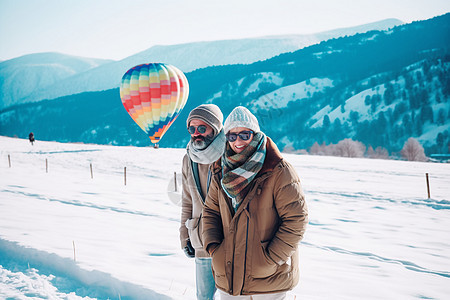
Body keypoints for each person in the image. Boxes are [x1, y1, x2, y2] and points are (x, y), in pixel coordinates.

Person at [202, 106, 308, 299]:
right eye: (232, 136)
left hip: (268, 279)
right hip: (228, 275)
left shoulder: (278, 169)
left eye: (244, 134)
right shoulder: (220, 169)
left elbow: (296, 219)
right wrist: (214, 248)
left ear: (255, 134)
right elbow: (210, 211)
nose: (238, 141)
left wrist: (271, 259)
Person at [180, 104, 226, 300]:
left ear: (215, 128)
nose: (196, 134)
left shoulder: (229, 154)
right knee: (204, 297)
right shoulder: (188, 159)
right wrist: (184, 235)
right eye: (192, 129)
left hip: (228, 240)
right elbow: (187, 200)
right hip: (200, 240)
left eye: (202, 128)